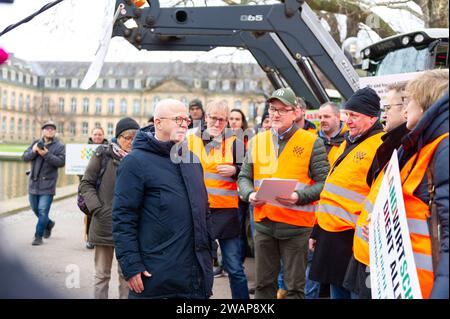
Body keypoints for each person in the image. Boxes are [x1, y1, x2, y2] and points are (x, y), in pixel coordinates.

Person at [112, 99, 214, 299]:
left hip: (196, 278)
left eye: (186, 119)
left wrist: (210, 251)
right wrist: (131, 266)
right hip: (156, 278)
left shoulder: (192, 160)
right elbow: (123, 218)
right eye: (178, 119)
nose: (185, 123)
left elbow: (204, 210)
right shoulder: (135, 162)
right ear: (158, 123)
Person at [238, 87, 329, 299]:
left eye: (282, 109)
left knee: (294, 288)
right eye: (272, 109)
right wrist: (249, 194)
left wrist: (299, 197)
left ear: (295, 112)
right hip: (264, 223)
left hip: (296, 227)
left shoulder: (311, 142)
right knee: (263, 284)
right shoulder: (256, 141)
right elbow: (244, 177)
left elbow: (325, 182)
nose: (276, 114)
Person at [309, 87, 384, 299]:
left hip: (354, 242)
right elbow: (331, 190)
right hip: (331, 237)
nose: (348, 121)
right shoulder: (347, 143)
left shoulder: (381, 147)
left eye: (354, 116)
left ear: (372, 118)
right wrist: (317, 230)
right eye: (347, 115)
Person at [344, 82, 410, 299]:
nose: (384, 114)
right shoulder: (392, 146)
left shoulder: (396, 147)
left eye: (388, 108)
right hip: (365, 250)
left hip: (383, 260)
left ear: (406, 107)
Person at [188, 100, 249, 299]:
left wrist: (235, 170)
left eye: (222, 119)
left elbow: (249, 174)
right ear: (206, 118)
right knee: (198, 266)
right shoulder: (190, 140)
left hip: (226, 212)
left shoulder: (236, 142)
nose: (217, 123)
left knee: (234, 267)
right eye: (214, 118)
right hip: (198, 212)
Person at [397, 70, 448, 298]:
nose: (404, 109)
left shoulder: (444, 148)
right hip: (413, 281)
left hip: (428, 286)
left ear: (427, 103)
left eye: (409, 101)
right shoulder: (425, 146)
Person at [79, 117, 139, 299]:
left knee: (128, 276)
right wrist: (98, 209)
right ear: (118, 137)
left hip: (130, 228)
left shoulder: (140, 159)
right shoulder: (102, 154)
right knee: (101, 275)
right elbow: (86, 184)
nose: (131, 141)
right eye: (127, 137)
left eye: (135, 137)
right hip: (104, 223)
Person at [22, 121, 65, 246]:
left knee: (42, 211)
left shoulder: (59, 145)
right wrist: (34, 151)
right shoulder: (35, 143)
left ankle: (38, 236)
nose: (50, 130)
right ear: (43, 131)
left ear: (55, 132)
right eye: (47, 129)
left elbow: (60, 162)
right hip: (33, 183)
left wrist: (46, 154)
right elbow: (24, 157)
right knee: (36, 209)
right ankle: (49, 224)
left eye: (52, 129)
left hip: (48, 184)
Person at [79, 127, 109, 250]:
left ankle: (98, 237)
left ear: (103, 136)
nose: (97, 137)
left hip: (103, 185)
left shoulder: (108, 149)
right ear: (91, 135)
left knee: (100, 211)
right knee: (89, 212)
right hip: (89, 183)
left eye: (100, 134)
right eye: (95, 134)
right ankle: (89, 238)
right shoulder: (84, 149)